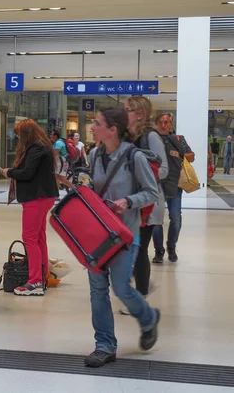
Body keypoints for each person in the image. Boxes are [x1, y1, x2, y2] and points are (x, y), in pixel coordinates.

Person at [85, 106, 160, 368]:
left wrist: (128, 201)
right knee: (97, 291)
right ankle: (104, 345)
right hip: (97, 234)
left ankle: (148, 318)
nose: (92, 127)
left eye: (97, 123)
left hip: (125, 236)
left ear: (112, 130)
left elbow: (152, 193)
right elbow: (94, 188)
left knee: (121, 288)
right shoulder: (94, 155)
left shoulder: (133, 157)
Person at [0, 119, 58, 296]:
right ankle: (42, 275)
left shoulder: (36, 148)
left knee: (30, 238)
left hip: (36, 197)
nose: (17, 138)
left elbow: (27, 173)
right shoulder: (42, 145)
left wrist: (8, 172)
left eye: (18, 134)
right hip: (44, 196)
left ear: (25, 134)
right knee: (39, 237)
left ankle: (35, 282)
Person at [122, 97, 168, 305]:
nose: (123, 113)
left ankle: (140, 297)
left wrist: (141, 178)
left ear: (139, 114)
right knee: (130, 247)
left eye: (127, 110)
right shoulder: (127, 137)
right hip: (130, 202)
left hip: (147, 204)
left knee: (140, 249)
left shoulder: (151, 137)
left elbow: (163, 169)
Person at [152, 113, 195, 264]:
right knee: (156, 220)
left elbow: (191, 156)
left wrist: (178, 153)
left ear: (171, 124)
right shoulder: (152, 139)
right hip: (156, 184)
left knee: (175, 218)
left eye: (167, 122)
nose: (164, 125)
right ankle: (158, 251)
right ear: (157, 124)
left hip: (175, 183)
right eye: (161, 122)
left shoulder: (178, 139)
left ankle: (171, 246)